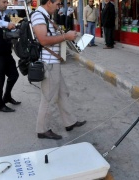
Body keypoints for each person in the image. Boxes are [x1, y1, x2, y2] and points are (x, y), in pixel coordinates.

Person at [31, 0, 86, 140]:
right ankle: (41, 130)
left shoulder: (45, 16)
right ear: (49, 2)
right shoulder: (38, 16)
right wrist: (65, 36)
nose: (58, 7)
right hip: (48, 64)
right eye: (57, 3)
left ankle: (70, 122)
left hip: (53, 62)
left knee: (63, 93)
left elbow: (51, 37)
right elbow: (43, 40)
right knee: (48, 98)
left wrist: (67, 39)